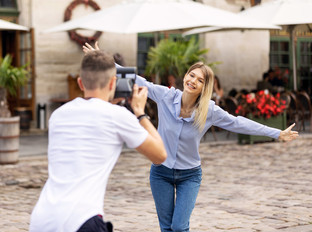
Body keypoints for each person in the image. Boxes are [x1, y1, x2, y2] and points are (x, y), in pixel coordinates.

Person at [83, 42, 299, 232]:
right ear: (185, 77)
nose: (194, 81)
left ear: (205, 87)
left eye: (200, 80)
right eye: (192, 75)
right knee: (166, 227)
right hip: (161, 172)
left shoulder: (210, 111)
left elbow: (238, 122)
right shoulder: (167, 96)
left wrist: (276, 133)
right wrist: (105, 63)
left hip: (189, 176)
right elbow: (140, 81)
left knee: (179, 226)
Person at [29, 50, 167, 232]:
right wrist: (140, 112)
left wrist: (109, 100)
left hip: (42, 218)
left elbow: (93, 114)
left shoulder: (58, 115)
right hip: (81, 219)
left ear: (80, 82)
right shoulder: (118, 116)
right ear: (112, 83)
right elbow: (160, 155)